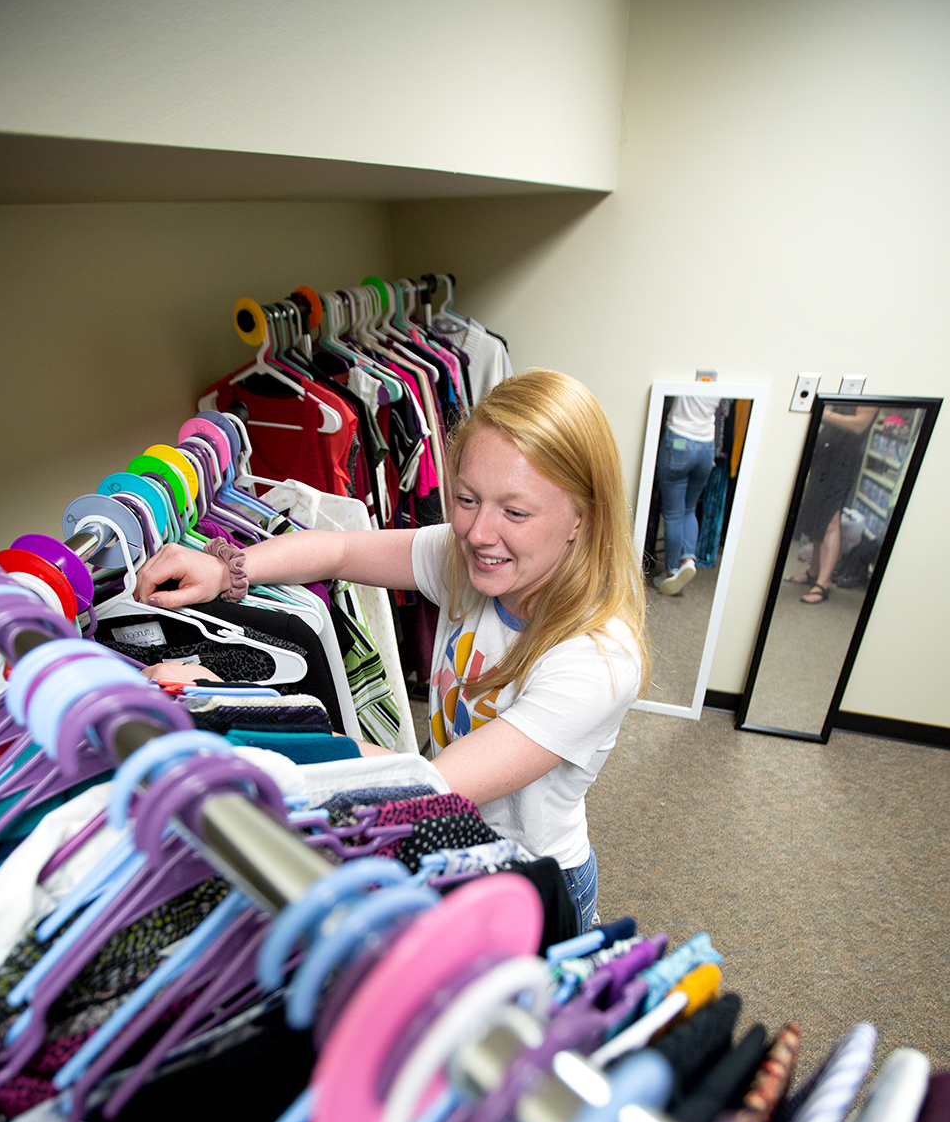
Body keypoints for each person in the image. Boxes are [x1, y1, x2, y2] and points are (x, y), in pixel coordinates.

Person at [134, 370, 649, 931]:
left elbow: (426, 781)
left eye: (515, 512)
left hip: (532, 879)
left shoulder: (596, 659)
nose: (479, 531)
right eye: (467, 499)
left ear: (583, 517)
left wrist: (232, 710)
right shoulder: (467, 563)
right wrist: (228, 568)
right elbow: (338, 550)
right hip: (448, 842)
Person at [786, 403, 877, 605]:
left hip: (843, 460)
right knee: (816, 516)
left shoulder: (869, 386)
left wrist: (824, 414)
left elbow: (860, 424)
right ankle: (813, 572)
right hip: (826, 454)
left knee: (830, 520)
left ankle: (823, 583)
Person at [652, 395, 719, 595]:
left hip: (680, 440)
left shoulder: (687, 370)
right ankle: (688, 560)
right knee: (689, 510)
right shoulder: (721, 379)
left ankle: (671, 572)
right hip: (706, 446)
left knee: (673, 513)